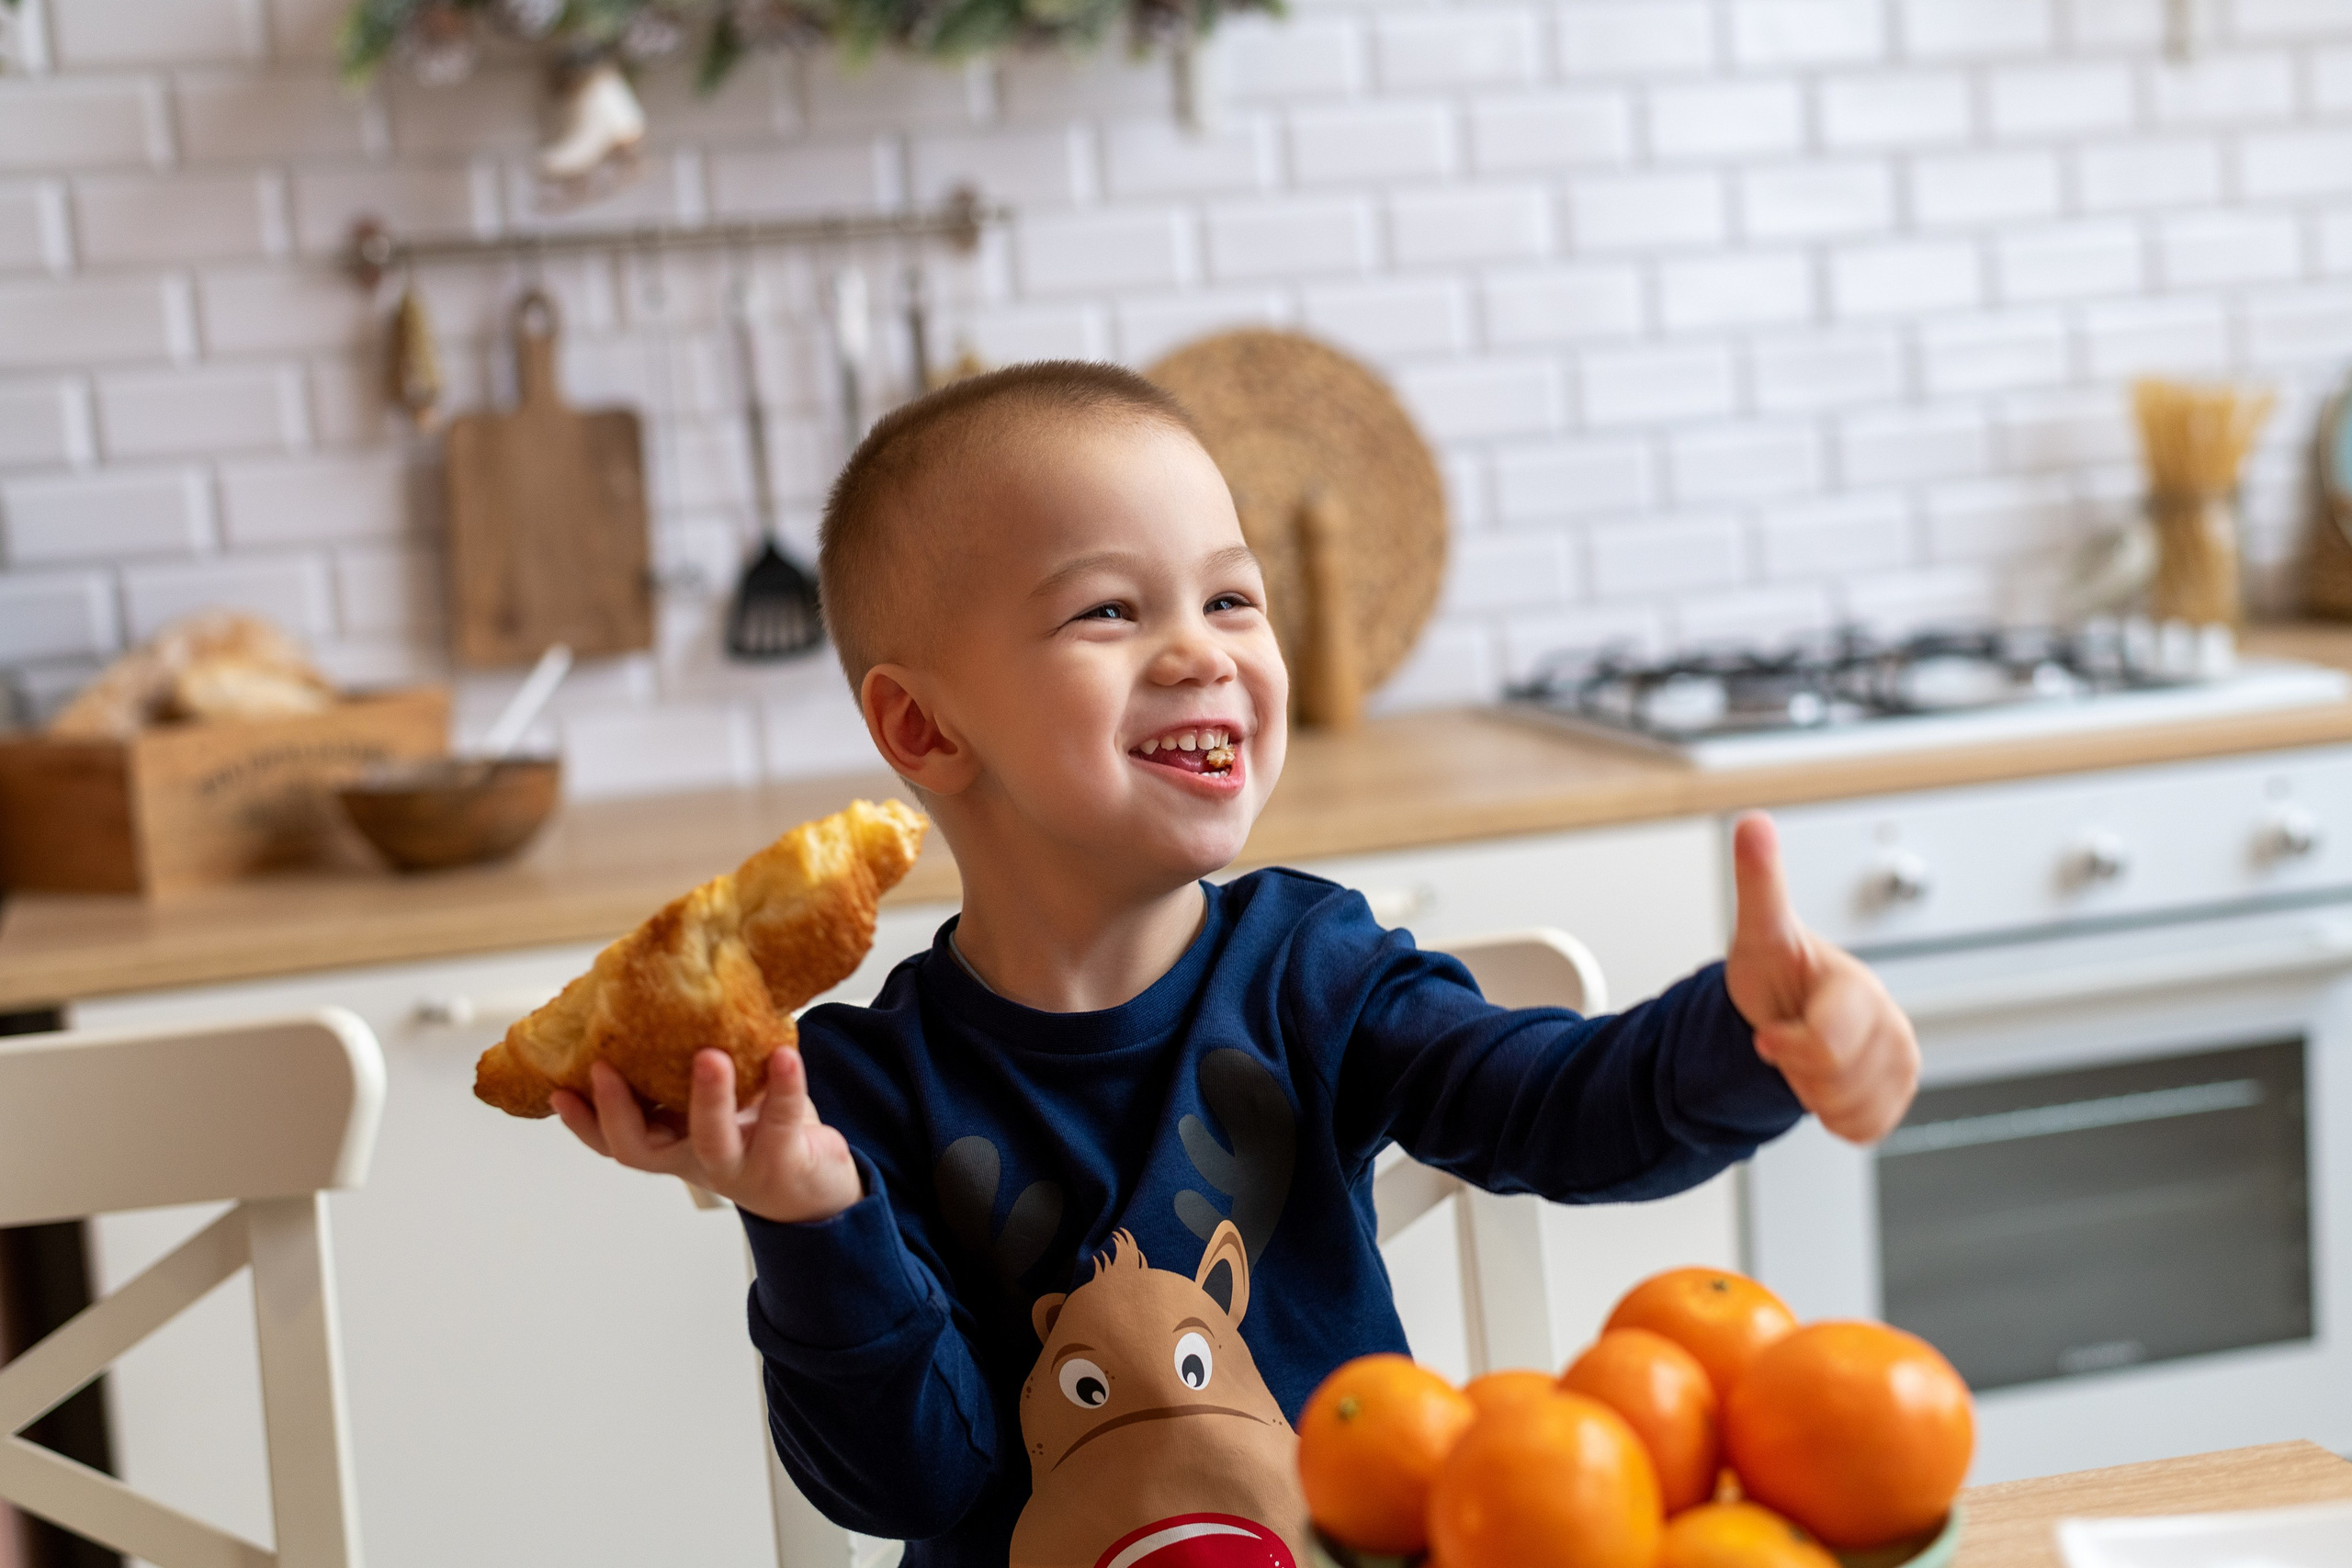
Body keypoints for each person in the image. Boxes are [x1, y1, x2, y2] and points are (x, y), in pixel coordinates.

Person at [553, 362, 1920, 1566]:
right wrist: (808, 1215)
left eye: (1230, 595)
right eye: (1108, 612)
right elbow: (909, 1477)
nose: (1203, 649)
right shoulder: (858, 1092)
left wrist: (1746, 1034)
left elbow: (1562, 1107)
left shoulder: (1317, 972)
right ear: (923, 728)